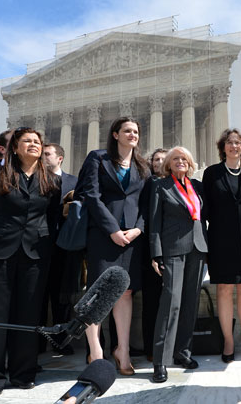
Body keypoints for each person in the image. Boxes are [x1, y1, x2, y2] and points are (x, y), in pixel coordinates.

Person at [0, 127, 60, 397]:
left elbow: (52, 217)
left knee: (28, 314)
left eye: (37, 141)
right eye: (27, 141)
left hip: (35, 253)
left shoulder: (51, 180)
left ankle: (23, 373)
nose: (34, 144)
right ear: (15, 147)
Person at [75, 117, 149, 375]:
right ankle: (95, 352)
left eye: (136, 131)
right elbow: (91, 196)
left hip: (132, 238)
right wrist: (112, 229)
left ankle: (123, 350)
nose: (133, 135)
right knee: (97, 293)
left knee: (126, 293)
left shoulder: (142, 165)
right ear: (115, 134)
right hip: (103, 235)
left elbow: (145, 203)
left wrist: (138, 229)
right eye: (127, 131)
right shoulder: (98, 158)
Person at [149, 146, 207, 383]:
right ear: (168, 164)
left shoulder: (197, 186)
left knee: (190, 303)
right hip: (172, 250)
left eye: (184, 158)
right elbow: (154, 223)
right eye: (175, 159)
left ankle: (183, 352)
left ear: (190, 163)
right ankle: (160, 361)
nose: (180, 161)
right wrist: (156, 254)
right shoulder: (160, 186)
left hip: (198, 249)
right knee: (171, 303)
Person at [202, 128, 241, 363]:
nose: (234, 146)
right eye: (229, 142)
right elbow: (204, 208)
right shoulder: (211, 173)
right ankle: (228, 342)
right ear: (223, 147)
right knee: (224, 289)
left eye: (238, 143)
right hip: (220, 239)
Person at [38, 143, 79, 356]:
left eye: (47, 154)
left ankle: (61, 340)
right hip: (38, 244)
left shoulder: (74, 181)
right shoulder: (34, 179)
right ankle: (36, 342)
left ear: (59, 158)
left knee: (62, 296)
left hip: (65, 246)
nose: (43, 157)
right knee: (38, 295)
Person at [141, 147, 168, 362]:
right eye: (156, 159)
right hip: (152, 249)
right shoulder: (149, 184)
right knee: (152, 301)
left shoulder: (178, 183)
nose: (159, 162)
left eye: (163, 159)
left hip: (174, 247)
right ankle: (151, 347)